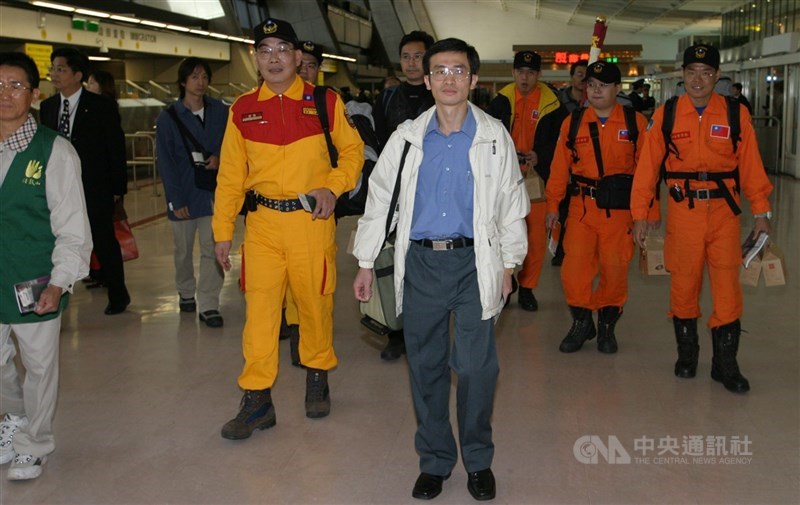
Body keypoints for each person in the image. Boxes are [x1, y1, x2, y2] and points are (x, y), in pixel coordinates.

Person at [353, 37, 529, 502]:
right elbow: (379, 203)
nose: (449, 79)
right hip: (423, 263)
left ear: (473, 80)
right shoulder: (406, 139)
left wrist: (510, 264)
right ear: (427, 80)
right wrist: (366, 261)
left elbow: (513, 204)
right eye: (440, 71)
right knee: (427, 367)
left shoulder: (494, 136)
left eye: (458, 71)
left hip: (477, 263)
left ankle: (477, 458)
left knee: (475, 369)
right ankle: (434, 460)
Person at [212, 18, 363, 438]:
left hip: (310, 224)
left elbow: (352, 154)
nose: (274, 58)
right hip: (261, 226)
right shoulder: (241, 110)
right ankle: (257, 399)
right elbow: (229, 176)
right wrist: (223, 232)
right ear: (254, 59)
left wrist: (332, 188)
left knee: (315, 304)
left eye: (283, 49)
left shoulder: (324, 101)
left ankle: (317, 374)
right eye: (265, 50)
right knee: (259, 313)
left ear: (299, 57)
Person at [631, 44, 773, 394]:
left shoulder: (735, 114)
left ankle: (725, 365)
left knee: (727, 288)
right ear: (682, 75)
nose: (698, 79)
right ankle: (687, 354)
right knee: (684, 283)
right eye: (692, 71)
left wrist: (761, 212)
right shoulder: (665, 115)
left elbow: (752, 167)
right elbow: (647, 170)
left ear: (717, 77)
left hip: (724, 214)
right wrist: (641, 215)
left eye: (706, 73)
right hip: (683, 214)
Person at [0, 52, 92, 480]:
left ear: (35, 94)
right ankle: (15, 419)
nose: (5, 94)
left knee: (38, 366)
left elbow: (73, 228)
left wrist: (59, 283)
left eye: (16, 85)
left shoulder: (54, 152)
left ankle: (34, 444)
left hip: (34, 280)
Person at [545, 61, 653, 354]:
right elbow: (558, 168)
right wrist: (553, 205)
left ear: (617, 89)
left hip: (620, 214)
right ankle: (582, 322)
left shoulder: (635, 123)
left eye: (603, 85)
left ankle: (607, 326)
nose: (595, 90)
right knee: (573, 271)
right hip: (581, 209)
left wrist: (647, 216)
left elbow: (647, 173)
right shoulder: (574, 122)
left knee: (614, 270)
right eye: (591, 84)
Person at [40, 48, 130, 315]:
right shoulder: (47, 107)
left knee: (103, 240)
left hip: (95, 187)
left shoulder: (101, 106)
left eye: (61, 69)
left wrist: (117, 189)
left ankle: (118, 294)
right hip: (58, 188)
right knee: (56, 240)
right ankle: (55, 295)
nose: (55, 74)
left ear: (78, 75)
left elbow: (115, 147)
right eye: (53, 68)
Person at [371, 30, 435, 361]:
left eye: (418, 57)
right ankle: (396, 332)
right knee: (393, 263)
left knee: (424, 265)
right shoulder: (386, 99)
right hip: (394, 193)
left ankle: (423, 333)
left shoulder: (440, 94)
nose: (412, 63)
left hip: (430, 193)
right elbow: (381, 147)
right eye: (406, 57)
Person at [488, 50, 567, 312]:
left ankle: (528, 288)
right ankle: (505, 284)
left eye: (531, 73)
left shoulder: (552, 104)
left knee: (534, 239)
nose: (525, 77)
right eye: (521, 72)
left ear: (539, 75)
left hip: (536, 180)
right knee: (501, 236)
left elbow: (561, 143)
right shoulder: (500, 101)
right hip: (504, 179)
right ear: (513, 73)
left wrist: (539, 155)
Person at [155, 57, 227, 327]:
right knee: (183, 250)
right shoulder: (169, 118)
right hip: (184, 192)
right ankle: (186, 291)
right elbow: (166, 160)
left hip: (213, 193)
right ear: (183, 81)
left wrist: (219, 156)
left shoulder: (220, 112)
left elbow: (233, 145)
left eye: (204, 77)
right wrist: (175, 198)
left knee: (212, 249)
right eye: (194, 77)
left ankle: (209, 304)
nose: (200, 82)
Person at [552, 59, 588, 267]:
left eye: (586, 75)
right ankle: (559, 249)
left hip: (584, 167)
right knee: (561, 209)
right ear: (572, 77)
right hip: (562, 162)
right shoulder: (558, 102)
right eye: (579, 74)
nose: (582, 79)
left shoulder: (595, 102)